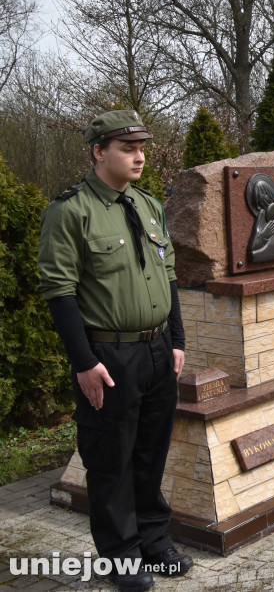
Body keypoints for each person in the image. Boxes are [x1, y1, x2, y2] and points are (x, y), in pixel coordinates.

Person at [37, 110, 193, 591]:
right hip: (108, 356)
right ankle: (122, 558)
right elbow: (59, 291)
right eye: (128, 149)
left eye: (141, 148)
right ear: (98, 151)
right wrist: (83, 363)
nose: (139, 157)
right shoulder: (71, 211)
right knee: (110, 461)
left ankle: (154, 543)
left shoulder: (148, 205)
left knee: (150, 454)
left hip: (156, 351)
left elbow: (168, 275)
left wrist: (176, 340)